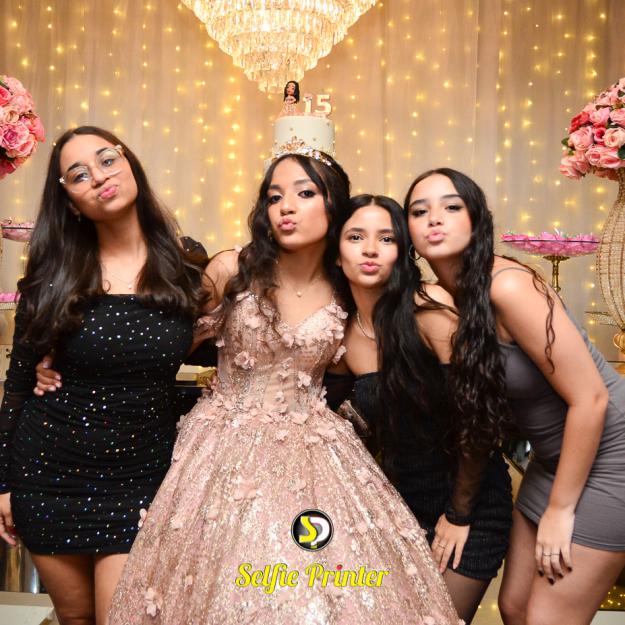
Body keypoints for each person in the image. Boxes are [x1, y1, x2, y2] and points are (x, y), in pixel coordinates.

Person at [107, 150, 461, 624]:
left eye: (304, 193)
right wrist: (63, 357)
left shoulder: (347, 286)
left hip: (317, 453)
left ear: (334, 206)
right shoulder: (233, 270)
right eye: (274, 197)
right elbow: (159, 344)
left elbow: (381, 365)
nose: (286, 207)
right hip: (220, 450)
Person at [0, 126, 207, 625]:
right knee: (75, 619)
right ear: (70, 201)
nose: (98, 176)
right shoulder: (53, 277)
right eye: (79, 174)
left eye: (107, 160)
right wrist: (2, 483)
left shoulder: (186, 265)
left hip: (142, 477)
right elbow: (19, 386)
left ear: (129, 163)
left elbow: (231, 353)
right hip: (48, 476)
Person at [404, 167, 625, 625]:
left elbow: (591, 399)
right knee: (516, 608)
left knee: (546, 618)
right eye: (419, 211)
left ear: (476, 220)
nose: (434, 219)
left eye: (451, 207)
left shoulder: (507, 285)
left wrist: (561, 510)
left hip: (612, 455)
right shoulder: (451, 299)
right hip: (554, 459)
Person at [330, 194, 511, 623]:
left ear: (403, 251)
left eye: (386, 238)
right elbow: (329, 417)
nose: (370, 249)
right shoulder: (343, 332)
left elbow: (479, 416)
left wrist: (459, 513)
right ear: (336, 254)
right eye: (355, 237)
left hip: (467, 504)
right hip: (396, 509)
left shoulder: (428, 308)